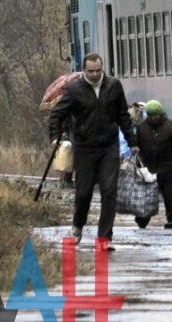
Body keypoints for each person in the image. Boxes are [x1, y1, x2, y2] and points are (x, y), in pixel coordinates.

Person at [48, 52, 132, 248]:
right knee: (84, 192)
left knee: (109, 191)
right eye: (91, 71)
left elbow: (123, 115)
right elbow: (58, 113)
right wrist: (54, 136)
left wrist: (132, 141)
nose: (95, 75)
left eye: (98, 70)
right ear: (84, 70)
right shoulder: (75, 89)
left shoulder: (113, 86)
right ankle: (78, 225)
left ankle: (105, 237)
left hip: (109, 147)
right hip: (84, 148)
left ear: (102, 69)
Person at [134, 99, 172, 229]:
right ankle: (142, 218)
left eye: (156, 115)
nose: (153, 118)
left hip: (169, 168)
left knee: (169, 195)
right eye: (151, 115)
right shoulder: (141, 128)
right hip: (149, 168)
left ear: (162, 114)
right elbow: (138, 146)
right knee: (147, 196)